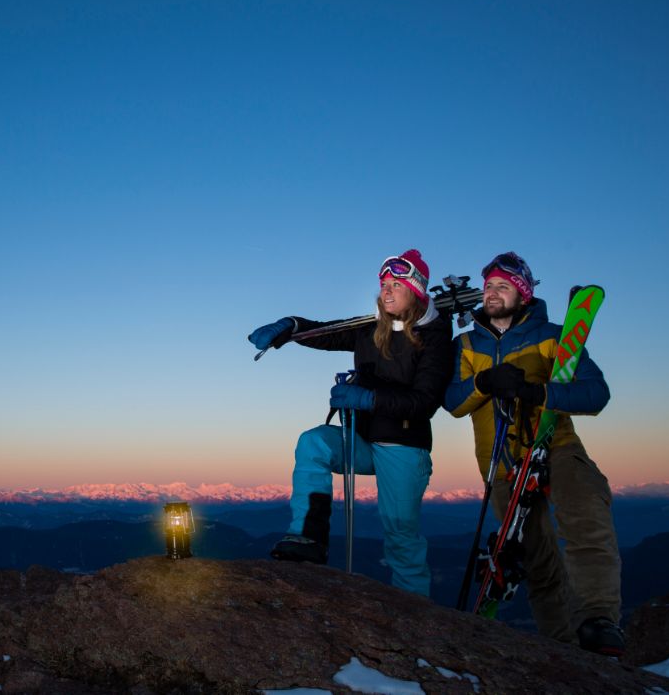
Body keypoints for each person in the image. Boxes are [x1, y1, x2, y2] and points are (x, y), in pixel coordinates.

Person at [443, 252, 623, 656]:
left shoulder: (555, 336)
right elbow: (453, 403)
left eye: (503, 286)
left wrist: (538, 392)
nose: (492, 293)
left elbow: (596, 395)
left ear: (523, 294)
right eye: (489, 286)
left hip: (556, 446)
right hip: (502, 464)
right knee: (536, 556)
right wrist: (485, 382)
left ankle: (598, 618)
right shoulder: (467, 344)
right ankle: (559, 644)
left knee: (586, 518)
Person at [247, 249, 453, 597]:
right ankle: (307, 536)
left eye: (396, 285)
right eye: (383, 284)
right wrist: (291, 327)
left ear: (416, 290)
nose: (386, 291)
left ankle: (417, 620)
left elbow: (424, 403)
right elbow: (328, 333)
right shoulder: (369, 329)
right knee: (313, 442)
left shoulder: (435, 337)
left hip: (404, 445)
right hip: (363, 438)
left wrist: (368, 397)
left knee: (400, 536)